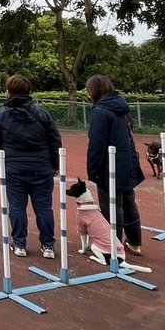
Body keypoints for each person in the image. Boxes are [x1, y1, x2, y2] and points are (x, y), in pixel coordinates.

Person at [0, 74, 61, 259]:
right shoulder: (42, 113)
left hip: (13, 166)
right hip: (42, 166)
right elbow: (55, 140)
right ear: (29, 91)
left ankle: (19, 244)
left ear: (9, 91)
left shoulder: (1, 114)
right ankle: (48, 245)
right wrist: (55, 164)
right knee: (44, 208)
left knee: (17, 206)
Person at [85, 74, 146, 256]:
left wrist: (93, 170)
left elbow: (96, 144)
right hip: (128, 162)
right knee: (128, 202)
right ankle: (135, 243)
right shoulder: (123, 107)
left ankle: (113, 245)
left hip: (109, 164)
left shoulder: (100, 111)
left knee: (111, 206)